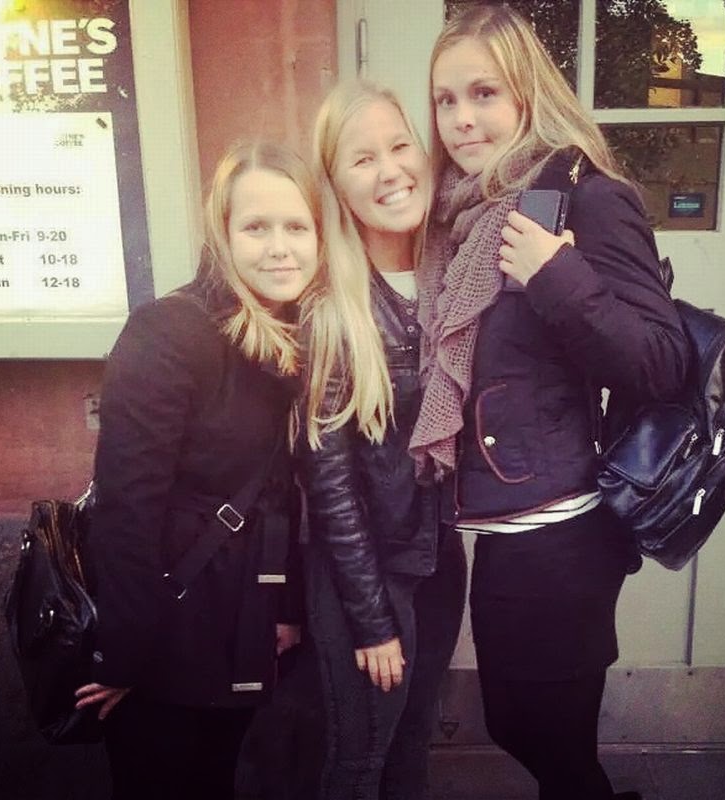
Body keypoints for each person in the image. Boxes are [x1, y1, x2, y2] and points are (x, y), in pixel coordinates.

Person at [410, 6, 690, 800]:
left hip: (564, 534)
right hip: (507, 525)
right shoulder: (458, 214)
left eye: (483, 94)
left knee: (548, 740)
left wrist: (557, 276)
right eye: (445, 99)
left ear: (527, 93)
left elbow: (661, 363)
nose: (461, 119)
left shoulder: (587, 199)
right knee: (518, 726)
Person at [74, 141, 320, 800]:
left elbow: (283, 493)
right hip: (162, 642)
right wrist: (123, 657)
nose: (279, 247)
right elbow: (127, 506)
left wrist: (285, 608)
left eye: (297, 227)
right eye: (256, 227)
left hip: (241, 631)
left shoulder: (298, 337)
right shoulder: (169, 332)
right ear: (223, 235)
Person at [297, 80, 467, 800]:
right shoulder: (332, 307)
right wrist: (370, 621)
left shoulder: (455, 275)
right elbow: (330, 488)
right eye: (363, 159)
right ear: (335, 183)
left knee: (411, 745)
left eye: (400, 146)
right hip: (368, 577)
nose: (391, 170)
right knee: (360, 761)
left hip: (439, 562)